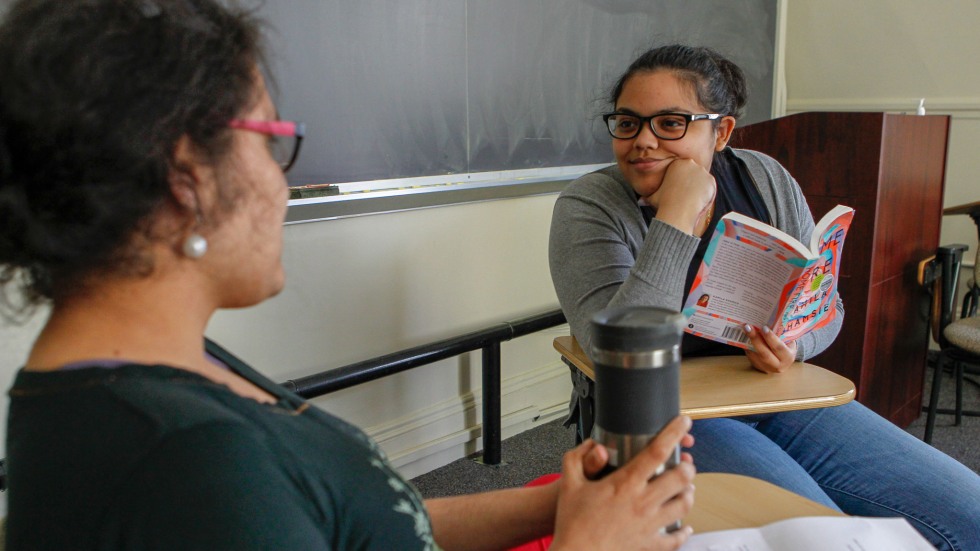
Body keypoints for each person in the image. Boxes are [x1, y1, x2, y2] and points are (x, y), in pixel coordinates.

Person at [0, 2, 696, 550]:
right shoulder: (186, 457)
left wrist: (559, 502)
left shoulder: (148, 368)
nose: (283, 187)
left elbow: (353, 521)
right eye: (272, 143)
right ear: (186, 174)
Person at [548, 44, 980, 551]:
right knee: (821, 536)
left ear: (722, 132)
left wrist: (795, 346)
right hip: (664, 414)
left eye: (670, 123)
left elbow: (828, 308)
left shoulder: (764, 177)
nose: (643, 141)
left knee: (968, 512)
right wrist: (677, 215)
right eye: (628, 123)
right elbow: (613, 353)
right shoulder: (588, 206)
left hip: (775, 394)